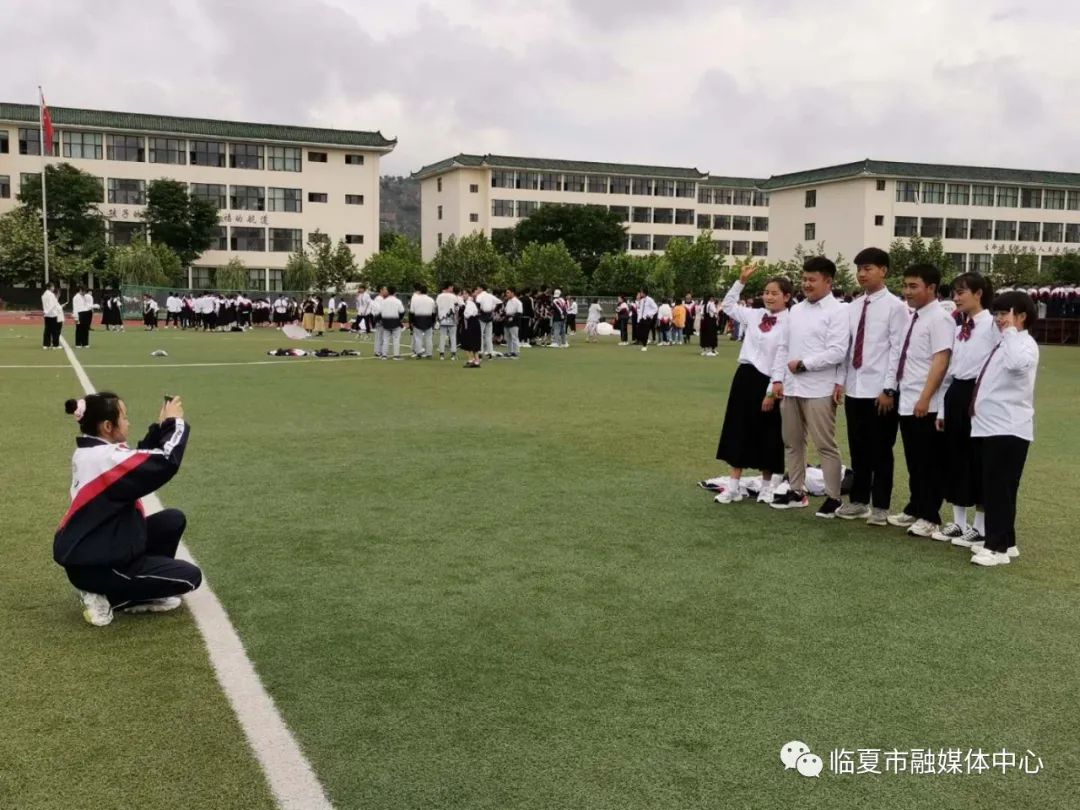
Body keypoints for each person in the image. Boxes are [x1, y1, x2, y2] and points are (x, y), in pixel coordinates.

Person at [55, 392, 201, 627]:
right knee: (191, 578)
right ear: (107, 426)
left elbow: (138, 460)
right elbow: (164, 461)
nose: (128, 422)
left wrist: (162, 427)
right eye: (124, 417)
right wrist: (176, 423)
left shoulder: (93, 452)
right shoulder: (104, 458)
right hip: (98, 565)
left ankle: (136, 587)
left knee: (172, 521)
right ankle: (116, 596)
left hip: (99, 548)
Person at [834, 248, 910, 526]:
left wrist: (889, 388)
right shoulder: (853, 307)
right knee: (858, 447)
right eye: (859, 269)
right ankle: (858, 501)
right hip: (855, 388)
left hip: (881, 390)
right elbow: (847, 348)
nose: (862, 274)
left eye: (868, 268)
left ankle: (880, 505)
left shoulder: (896, 308)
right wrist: (840, 382)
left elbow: (897, 350)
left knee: (881, 450)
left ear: (883, 271)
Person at [769, 256, 848, 516]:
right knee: (792, 442)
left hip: (819, 388)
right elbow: (783, 346)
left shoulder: (838, 311)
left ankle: (834, 497)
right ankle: (796, 490)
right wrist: (778, 379)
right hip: (791, 387)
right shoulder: (796, 310)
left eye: (812, 279)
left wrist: (805, 364)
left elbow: (838, 351)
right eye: (804, 279)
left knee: (825, 444)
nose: (806, 284)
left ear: (828, 281)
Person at [967, 291, 1039, 566]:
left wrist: (1009, 333)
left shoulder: (1023, 344)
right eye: (997, 314)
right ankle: (1006, 543)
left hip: (1008, 427)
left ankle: (995, 548)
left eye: (1004, 314)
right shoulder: (1007, 342)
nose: (999, 320)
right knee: (999, 487)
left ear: (1021, 316)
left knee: (999, 489)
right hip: (992, 426)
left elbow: (1017, 365)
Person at [713, 265, 792, 504]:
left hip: (771, 381)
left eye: (774, 293)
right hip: (746, 377)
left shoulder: (790, 322)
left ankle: (767, 486)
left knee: (768, 432)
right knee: (738, 428)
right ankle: (733, 485)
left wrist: (771, 391)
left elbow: (783, 356)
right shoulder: (755, 314)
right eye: (766, 292)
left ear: (786, 297)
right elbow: (727, 306)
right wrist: (741, 281)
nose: (768, 297)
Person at [888, 263, 955, 538]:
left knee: (929, 462)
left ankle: (930, 515)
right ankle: (916, 506)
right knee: (915, 459)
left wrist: (925, 398)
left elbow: (941, 360)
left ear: (931, 288)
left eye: (913, 286)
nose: (907, 291)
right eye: (905, 286)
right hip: (909, 398)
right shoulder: (912, 316)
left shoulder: (940, 318)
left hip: (926, 403)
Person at [932, 272, 997, 547]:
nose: (956, 298)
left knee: (978, 460)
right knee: (955, 458)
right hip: (956, 394)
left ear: (979, 293)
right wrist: (942, 410)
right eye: (954, 293)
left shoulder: (994, 326)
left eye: (962, 292)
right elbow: (950, 372)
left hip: (980, 395)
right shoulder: (959, 329)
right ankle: (959, 522)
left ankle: (980, 527)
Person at [409, 283, 436, 359]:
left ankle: (419, 353)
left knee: (418, 338)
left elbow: (411, 312)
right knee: (429, 338)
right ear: (427, 291)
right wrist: (433, 322)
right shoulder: (431, 300)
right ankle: (429, 353)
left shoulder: (415, 299)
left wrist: (411, 322)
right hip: (428, 319)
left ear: (420, 291)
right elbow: (434, 312)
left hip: (417, 319)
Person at [379, 286, 405, 359]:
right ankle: (396, 356)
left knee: (385, 339)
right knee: (396, 339)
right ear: (395, 292)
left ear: (388, 292)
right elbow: (402, 312)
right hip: (395, 322)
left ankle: (384, 355)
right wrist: (399, 319)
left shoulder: (383, 301)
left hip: (385, 322)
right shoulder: (398, 301)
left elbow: (380, 312)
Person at [436, 282, 460, 360]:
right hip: (452, 319)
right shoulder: (453, 296)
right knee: (453, 336)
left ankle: (442, 354)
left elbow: (437, 307)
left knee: (442, 336)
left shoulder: (439, 296)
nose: (452, 288)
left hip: (442, 318)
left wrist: (438, 318)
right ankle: (453, 354)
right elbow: (456, 308)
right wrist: (456, 318)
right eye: (452, 287)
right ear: (449, 287)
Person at [476, 285, 500, 357]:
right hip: (489, 316)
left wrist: (480, 311)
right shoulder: (490, 296)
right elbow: (499, 303)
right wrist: (493, 310)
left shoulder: (480, 296)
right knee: (488, 336)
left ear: (481, 288)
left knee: (480, 334)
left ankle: (480, 351)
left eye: (478, 288)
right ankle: (490, 352)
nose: (477, 290)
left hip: (482, 316)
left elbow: (478, 303)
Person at [460, 291, 482, 367]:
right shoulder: (467, 303)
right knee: (469, 342)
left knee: (472, 342)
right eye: (463, 294)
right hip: (471, 323)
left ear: (469, 295)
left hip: (472, 323)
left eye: (466, 294)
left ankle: (476, 361)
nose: (464, 295)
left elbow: (467, 315)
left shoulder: (469, 303)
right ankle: (472, 360)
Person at [41, 282, 65, 349]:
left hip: (47, 314)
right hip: (53, 314)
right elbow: (53, 305)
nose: (53, 288)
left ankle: (46, 344)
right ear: (50, 287)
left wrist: (46, 311)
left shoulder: (44, 295)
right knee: (55, 330)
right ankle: (55, 345)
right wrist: (60, 307)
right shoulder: (51, 295)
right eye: (53, 287)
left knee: (47, 330)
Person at [503, 288, 523, 357]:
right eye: (506, 293)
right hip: (507, 319)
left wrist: (513, 318)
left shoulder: (518, 302)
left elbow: (519, 312)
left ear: (512, 293)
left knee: (514, 337)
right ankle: (510, 351)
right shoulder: (508, 301)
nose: (507, 294)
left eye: (508, 292)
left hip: (514, 320)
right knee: (508, 337)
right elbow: (506, 311)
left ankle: (516, 351)